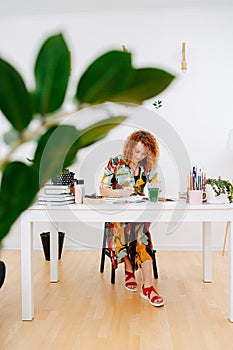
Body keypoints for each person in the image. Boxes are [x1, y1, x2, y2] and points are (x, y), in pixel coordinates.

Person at [99, 130, 164, 307]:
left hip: (139, 214)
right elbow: (103, 189)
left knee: (141, 232)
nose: (140, 156)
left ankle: (148, 287)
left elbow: (156, 190)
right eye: (137, 152)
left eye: (144, 153)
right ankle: (129, 269)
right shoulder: (115, 162)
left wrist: (155, 189)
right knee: (120, 225)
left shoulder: (149, 166)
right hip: (117, 214)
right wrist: (119, 192)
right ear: (129, 148)